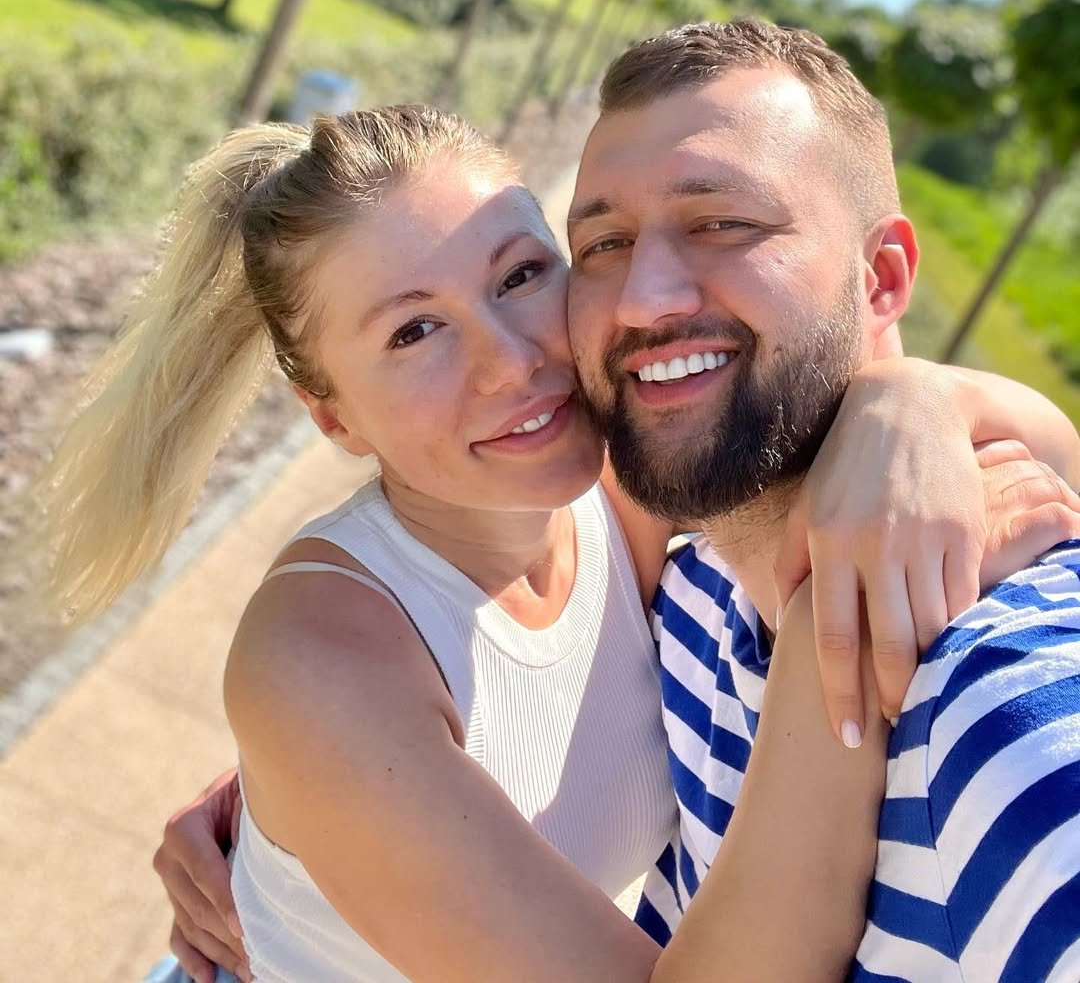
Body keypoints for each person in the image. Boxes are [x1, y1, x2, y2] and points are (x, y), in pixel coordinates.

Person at [38, 108, 1075, 982]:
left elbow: (1050, 456)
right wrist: (828, 631)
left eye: (521, 275)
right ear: (333, 418)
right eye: (413, 331)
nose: (512, 361)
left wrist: (913, 403)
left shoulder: (628, 486)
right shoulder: (320, 659)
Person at [565, 18, 1080, 980]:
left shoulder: (1010, 725)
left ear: (881, 279)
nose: (641, 298)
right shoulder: (687, 611)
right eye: (602, 242)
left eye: (722, 224)